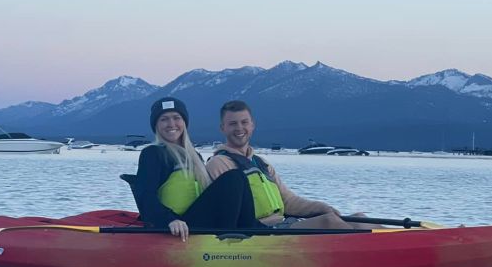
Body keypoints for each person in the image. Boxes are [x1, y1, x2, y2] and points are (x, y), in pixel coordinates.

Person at [207, 100, 373, 230]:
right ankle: (373, 254)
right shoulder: (218, 164)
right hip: (260, 232)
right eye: (233, 124)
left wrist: (323, 207)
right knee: (328, 222)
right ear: (222, 128)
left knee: (360, 219)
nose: (240, 128)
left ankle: (394, 247)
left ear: (252, 125)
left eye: (244, 122)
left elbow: (288, 201)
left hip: (284, 223)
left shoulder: (261, 163)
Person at [133, 96, 258, 241]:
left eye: (176, 117)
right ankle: (228, 241)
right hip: (179, 226)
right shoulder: (153, 154)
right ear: (156, 125)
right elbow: (146, 197)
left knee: (238, 177)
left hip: (198, 222)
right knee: (234, 178)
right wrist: (169, 220)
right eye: (164, 119)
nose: (171, 124)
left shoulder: (195, 157)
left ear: (184, 122)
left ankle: (254, 233)